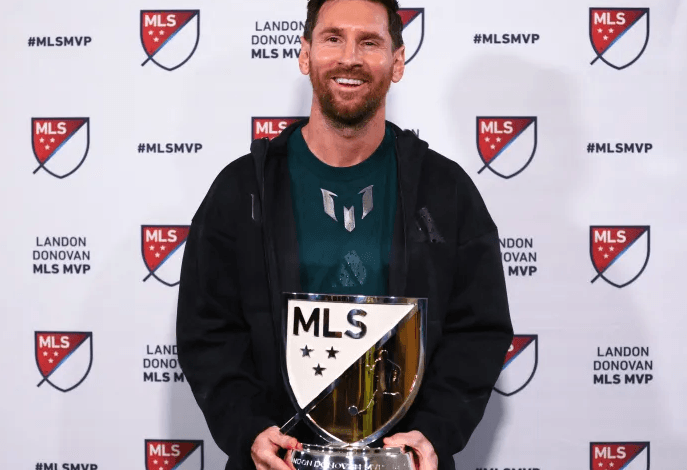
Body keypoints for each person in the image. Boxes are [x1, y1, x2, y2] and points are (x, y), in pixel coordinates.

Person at [176, 0, 513, 469]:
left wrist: (434, 431)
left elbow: (478, 330)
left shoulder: (445, 191)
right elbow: (208, 329)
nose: (350, 57)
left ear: (397, 62)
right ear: (305, 54)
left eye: (369, 42)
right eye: (333, 38)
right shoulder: (241, 190)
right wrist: (249, 428)